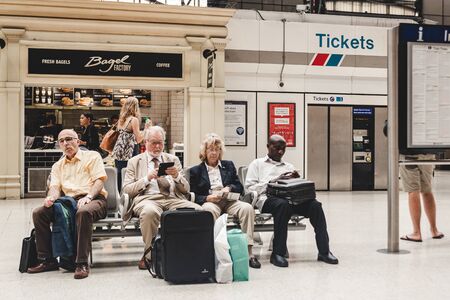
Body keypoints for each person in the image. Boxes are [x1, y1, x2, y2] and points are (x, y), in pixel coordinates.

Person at [245, 134, 338, 267]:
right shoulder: (257, 164)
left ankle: (324, 251)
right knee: (283, 206)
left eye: (283, 148)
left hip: (292, 199)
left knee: (315, 206)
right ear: (268, 147)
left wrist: (296, 181)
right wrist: (274, 180)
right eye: (277, 148)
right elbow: (250, 188)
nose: (280, 151)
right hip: (268, 199)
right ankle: (277, 253)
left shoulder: (289, 166)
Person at [27, 129, 108, 279]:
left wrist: (89, 197)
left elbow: (99, 180)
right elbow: (55, 188)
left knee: (83, 212)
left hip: (95, 199)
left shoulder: (92, 156)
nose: (66, 143)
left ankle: (81, 262)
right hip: (68, 202)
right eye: (62, 141)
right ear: (59, 145)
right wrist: (51, 198)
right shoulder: (57, 165)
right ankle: (47, 259)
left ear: (78, 141)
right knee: (39, 213)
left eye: (69, 139)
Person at [122, 126, 201, 270]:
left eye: (160, 142)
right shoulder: (135, 161)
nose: (157, 146)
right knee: (149, 212)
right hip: (147, 199)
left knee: (198, 211)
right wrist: (147, 178)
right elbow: (127, 189)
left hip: (172, 198)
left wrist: (177, 176)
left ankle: (191, 252)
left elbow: (186, 189)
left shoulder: (173, 159)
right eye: (153, 142)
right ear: (145, 142)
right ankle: (149, 255)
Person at [189, 133, 261, 269]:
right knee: (208, 211)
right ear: (204, 151)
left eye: (217, 149)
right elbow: (192, 195)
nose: (214, 152)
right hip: (211, 201)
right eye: (211, 149)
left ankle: (249, 252)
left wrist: (229, 188)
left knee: (247, 209)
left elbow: (239, 186)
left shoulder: (228, 165)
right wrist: (207, 198)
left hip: (229, 200)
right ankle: (212, 251)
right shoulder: (196, 171)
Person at [399, 154, 444, 242]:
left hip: (409, 155)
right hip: (428, 155)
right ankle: (434, 230)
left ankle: (416, 233)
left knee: (413, 191)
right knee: (427, 191)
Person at [112, 97, 149, 190]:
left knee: (120, 175)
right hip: (129, 152)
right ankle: (128, 197)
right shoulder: (133, 120)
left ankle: (119, 197)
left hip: (119, 152)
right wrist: (146, 129)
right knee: (131, 175)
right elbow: (139, 139)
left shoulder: (121, 120)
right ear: (135, 107)